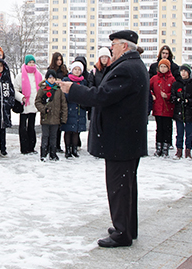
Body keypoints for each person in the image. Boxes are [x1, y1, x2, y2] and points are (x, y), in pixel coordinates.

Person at [59, 30, 148, 248]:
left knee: (119, 186)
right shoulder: (134, 65)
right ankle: (128, 227)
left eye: (114, 44)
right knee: (127, 185)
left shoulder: (126, 68)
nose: (111, 48)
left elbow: (102, 96)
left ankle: (122, 233)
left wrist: (73, 89)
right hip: (127, 137)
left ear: (125, 46)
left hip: (120, 138)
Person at [13, 55, 42, 155]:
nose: (32, 64)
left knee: (31, 126)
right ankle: (24, 148)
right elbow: (15, 89)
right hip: (24, 104)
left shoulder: (38, 75)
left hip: (34, 105)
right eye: (30, 62)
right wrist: (21, 97)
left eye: (33, 62)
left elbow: (41, 89)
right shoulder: (21, 76)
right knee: (23, 127)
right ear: (26, 63)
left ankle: (31, 147)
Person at [35, 70, 66, 161]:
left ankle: (53, 153)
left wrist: (63, 117)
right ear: (46, 79)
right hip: (46, 118)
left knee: (54, 137)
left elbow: (63, 104)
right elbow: (37, 102)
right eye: (50, 78)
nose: (52, 80)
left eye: (53, 78)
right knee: (45, 136)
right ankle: (43, 154)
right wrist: (43, 109)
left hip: (56, 118)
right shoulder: (42, 89)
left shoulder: (58, 90)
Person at [61, 61, 89, 158]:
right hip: (69, 108)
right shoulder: (66, 80)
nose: (77, 71)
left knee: (76, 131)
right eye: (75, 69)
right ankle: (67, 150)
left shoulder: (83, 82)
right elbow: (64, 95)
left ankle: (74, 149)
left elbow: (86, 94)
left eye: (79, 69)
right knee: (68, 130)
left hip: (79, 109)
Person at [149, 58, 176, 157]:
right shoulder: (155, 78)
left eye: (165, 67)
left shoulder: (172, 79)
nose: (163, 69)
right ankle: (158, 147)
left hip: (168, 108)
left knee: (167, 128)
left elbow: (174, 92)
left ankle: (166, 146)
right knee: (159, 128)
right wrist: (152, 94)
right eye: (161, 67)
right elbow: (148, 88)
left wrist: (168, 96)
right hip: (158, 107)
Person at [171, 65, 192, 159]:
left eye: (185, 71)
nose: (183, 73)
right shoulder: (176, 84)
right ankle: (179, 150)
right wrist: (177, 99)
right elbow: (172, 96)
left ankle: (188, 151)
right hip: (179, 111)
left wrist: (188, 101)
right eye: (182, 71)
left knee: (189, 133)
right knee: (179, 133)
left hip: (190, 112)